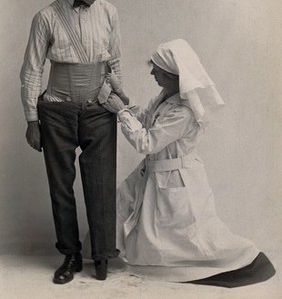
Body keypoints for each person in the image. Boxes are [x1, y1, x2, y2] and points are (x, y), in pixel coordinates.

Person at [102, 38, 275, 287]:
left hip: (176, 179)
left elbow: (147, 143)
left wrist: (121, 112)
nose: (152, 73)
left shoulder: (184, 111)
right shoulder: (165, 97)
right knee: (155, 227)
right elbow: (148, 119)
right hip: (158, 176)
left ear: (174, 75)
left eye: (157, 70)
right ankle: (127, 255)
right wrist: (123, 98)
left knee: (192, 238)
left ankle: (244, 257)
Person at [20, 0, 128, 284]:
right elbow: (31, 72)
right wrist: (32, 120)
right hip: (56, 112)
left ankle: (102, 254)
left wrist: (117, 97)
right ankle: (70, 254)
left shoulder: (109, 12)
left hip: (98, 111)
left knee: (101, 183)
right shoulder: (46, 17)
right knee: (61, 188)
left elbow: (115, 62)